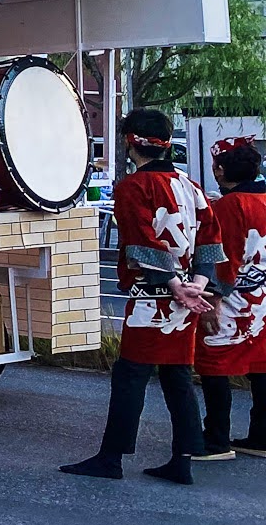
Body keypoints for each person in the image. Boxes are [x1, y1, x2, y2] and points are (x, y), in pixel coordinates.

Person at [62, 107, 221, 485]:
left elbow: (140, 242)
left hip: (155, 297)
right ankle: (183, 459)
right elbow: (211, 238)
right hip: (186, 297)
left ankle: (111, 457)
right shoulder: (190, 184)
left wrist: (172, 285)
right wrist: (198, 282)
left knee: (131, 376)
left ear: (131, 143)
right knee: (177, 377)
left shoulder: (133, 187)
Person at [197, 135, 266, 462]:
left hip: (232, 296)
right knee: (262, 365)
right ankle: (261, 436)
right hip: (263, 297)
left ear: (222, 170)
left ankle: (216, 440)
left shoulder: (227, 207)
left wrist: (212, 299)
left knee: (214, 364)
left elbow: (222, 259)